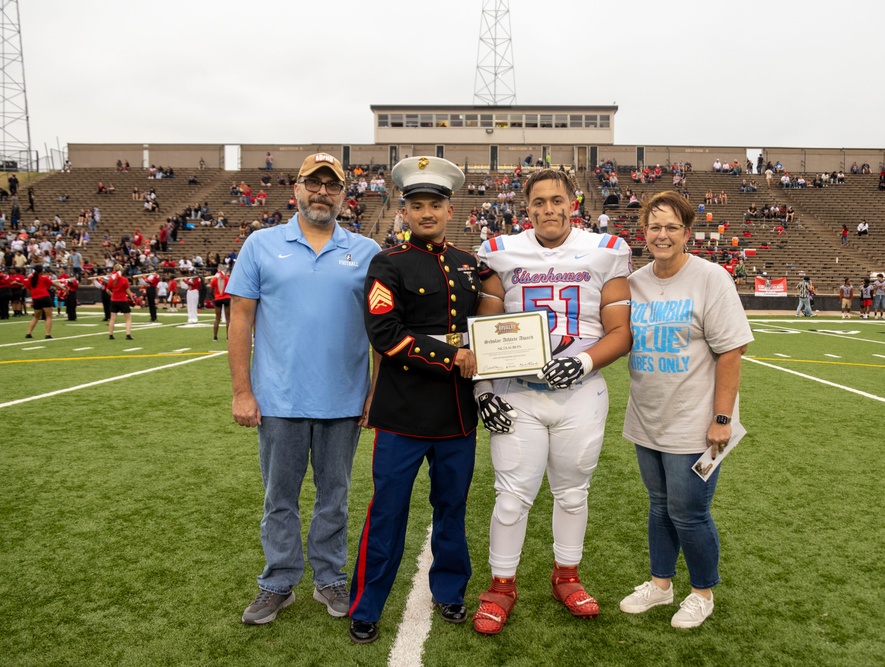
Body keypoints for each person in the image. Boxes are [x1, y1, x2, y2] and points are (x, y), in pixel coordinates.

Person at [471, 168, 633, 636]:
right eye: (538, 201)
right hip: (517, 393)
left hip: (581, 393)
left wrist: (581, 363)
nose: (548, 209)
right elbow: (485, 330)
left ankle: (567, 576)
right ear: (527, 208)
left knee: (573, 492)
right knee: (511, 498)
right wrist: (483, 390)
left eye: (556, 200)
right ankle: (501, 586)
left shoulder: (607, 250)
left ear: (573, 203)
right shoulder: (501, 252)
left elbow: (621, 332)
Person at [228, 153, 380, 626]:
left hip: (345, 398)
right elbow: (241, 317)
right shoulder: (260, 244)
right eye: (312, 183)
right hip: (279, 398)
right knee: (280, 497)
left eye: (330, 185)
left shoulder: (367, 250)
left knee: (334, 494)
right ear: (295, 189)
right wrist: (242, 391)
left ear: (342, 194)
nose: (321, 192)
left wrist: (376, 390)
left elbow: (381, 327)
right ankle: (278, 582)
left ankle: (330, 576)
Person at [347, 157, 488, 645]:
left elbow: (494, 306)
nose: (427, 213)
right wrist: (453, 355)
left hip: (457, 416)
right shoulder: (386, 263)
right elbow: (384, 333)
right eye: (416, 205)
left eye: (436, 204)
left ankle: (450, 589)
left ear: (451, 210)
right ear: (403, 212)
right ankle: (365, 604)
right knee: (387, 511)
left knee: (452, 508)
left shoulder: (471, 264)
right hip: (402, 412)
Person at [617, 190, 752, 628]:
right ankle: (660, 585)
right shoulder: (634, 283)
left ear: (687, 233)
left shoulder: (711, 277)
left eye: (671, 227)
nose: (662, 235)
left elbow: (732, 350)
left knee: (689, 513)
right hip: (647, 415)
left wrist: (722, 419)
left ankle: (702, 593)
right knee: (659, 506)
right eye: (654, 226)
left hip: (696, 422)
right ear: (643, 233)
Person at [24, 265, 59, 339]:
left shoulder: (30, 279)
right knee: (49, 316)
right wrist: (62, 287)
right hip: (44, 297)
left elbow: (28, 289)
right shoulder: (43, 278)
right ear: (41, 271)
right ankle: (47, 334)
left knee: (36, 317)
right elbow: (52, 284)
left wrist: (33, 295)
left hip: (36, 298)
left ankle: (28, 332)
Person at [106, 265, 134, 340]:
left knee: (112, 318)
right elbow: (128, 291)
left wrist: (112, 295)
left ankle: (110, 335)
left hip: (114, 300)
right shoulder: (124, 279)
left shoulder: (111, 279)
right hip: (123, 300)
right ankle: (128, 335)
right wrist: (132, 298)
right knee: (128, 318)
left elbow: (107, 290)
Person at [210, 267, 231, 341]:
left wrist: (214, 297)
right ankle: (228, 337)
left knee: (217, 318)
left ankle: (215, 337)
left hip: (217, 298)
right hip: (226, 298)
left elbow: (211, 290)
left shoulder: (214, 279)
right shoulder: (227, 279)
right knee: (228, 318)